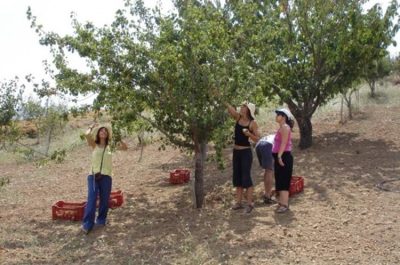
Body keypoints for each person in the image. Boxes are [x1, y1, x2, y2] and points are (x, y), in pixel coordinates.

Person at [81, 124, 127, 234]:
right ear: (98, 134)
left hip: (106, 176)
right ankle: (87, 224)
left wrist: (118, 138)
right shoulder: (94, 145)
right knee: (92, 199)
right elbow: (86, 135)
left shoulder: (110, 146)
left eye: (105, 131)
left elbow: (125, 147)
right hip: (93, 176)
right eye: (101, 131)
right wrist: (91, 127)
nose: (103, 132)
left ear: (107, 135)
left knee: (104, 200)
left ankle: (101, 220)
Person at [226, 101, 260, 213]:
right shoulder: (238, 118)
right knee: (237, 177)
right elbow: (230, 109)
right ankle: (238, 202)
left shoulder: (252, 123)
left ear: (248, 110)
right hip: (236, 152)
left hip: (246, 152)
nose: (241, 107)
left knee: (246, 177)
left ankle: (250, 204)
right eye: (241, 106)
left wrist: (249, 134)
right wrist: (224, 100)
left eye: (244, 106)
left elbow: (258, 138)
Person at [272, 108, 294, 213]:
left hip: (284, 156)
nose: (276, 116)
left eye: (278, 114)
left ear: (284, 116)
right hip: (280, 156)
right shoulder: (281, 127)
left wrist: (279, 156)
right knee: (279, 179)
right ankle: (281, 202)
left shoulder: (285, 127)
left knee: (284, 179)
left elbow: (284, 143)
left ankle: (285, 204)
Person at [255, 134, 275, 204]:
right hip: (267, 146)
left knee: (268, 170)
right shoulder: (284, 134)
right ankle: (267, 196)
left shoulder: (275, 134)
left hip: (258, 145)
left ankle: (267, 192)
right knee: (269, 170)